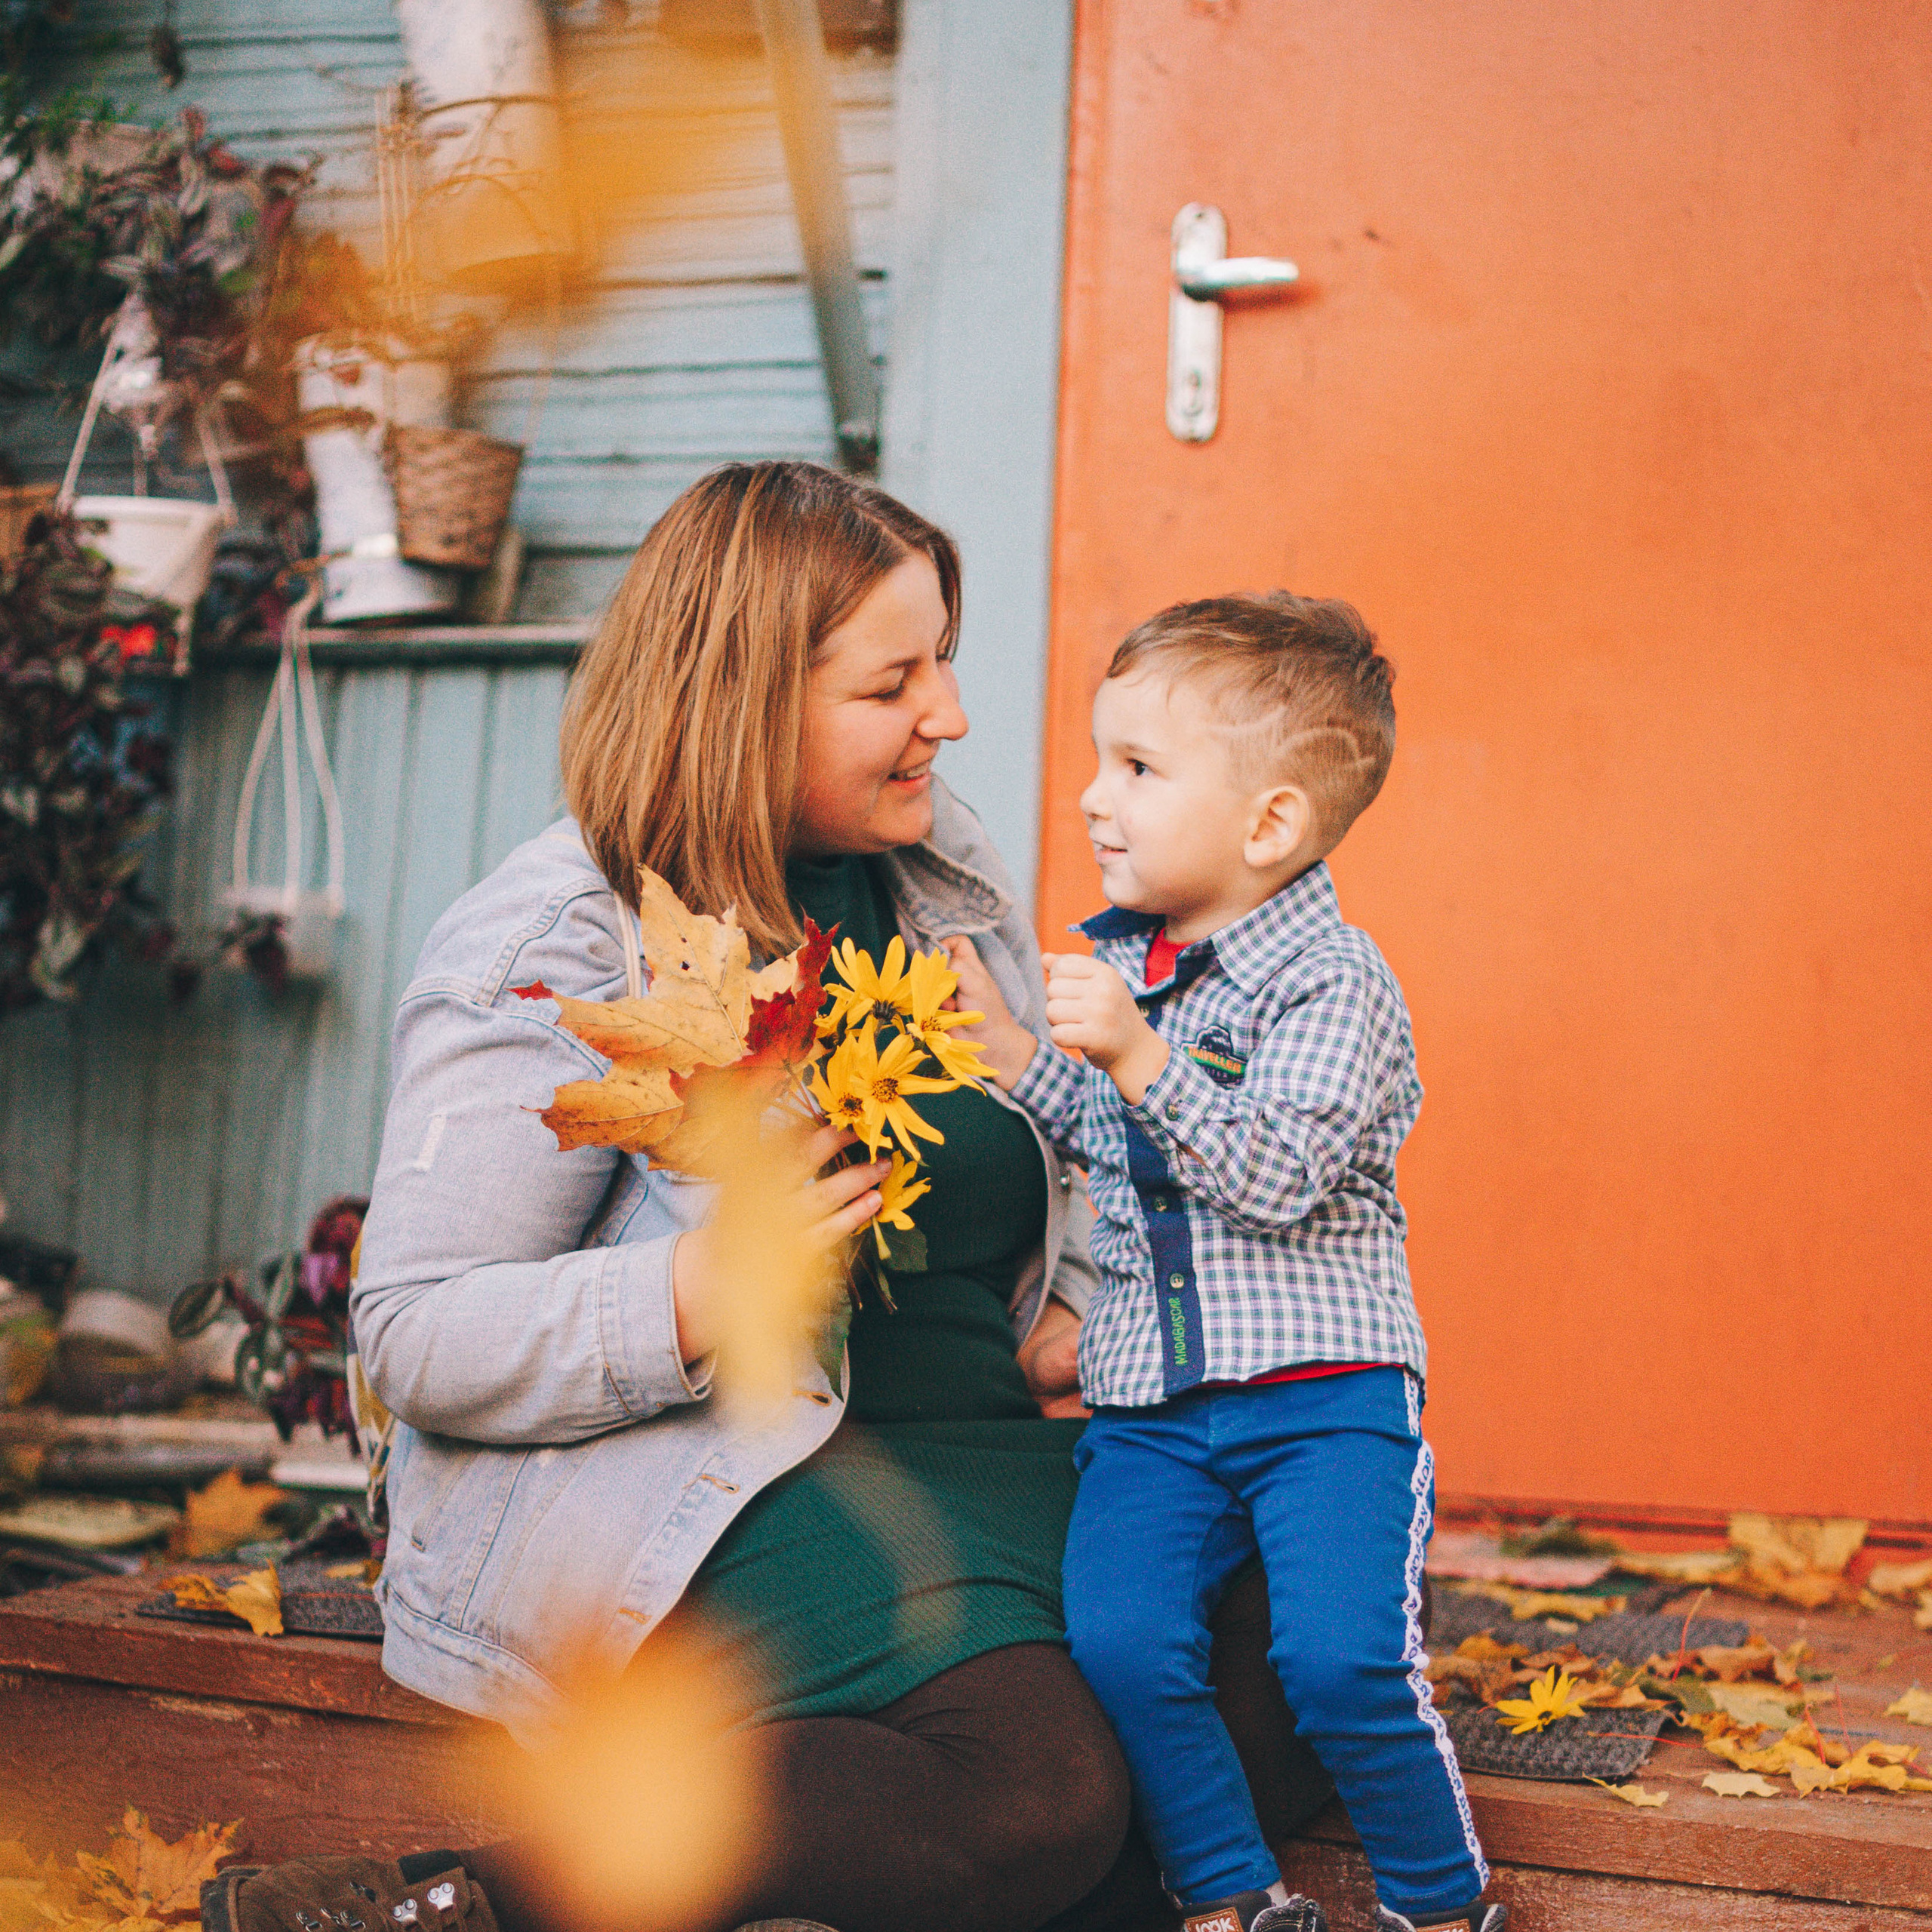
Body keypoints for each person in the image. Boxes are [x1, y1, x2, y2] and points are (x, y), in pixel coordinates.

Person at [205, 466, 1337, 1932]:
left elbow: (1031, 1161)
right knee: (1038, 1785)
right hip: (709, 1469)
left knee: (1321, 1648)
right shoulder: (561, 935)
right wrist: (694, 1287)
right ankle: (442, 1908)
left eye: (942, 658)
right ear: (746, 700)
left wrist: (1082, 1306)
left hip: (980, 1439)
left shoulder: (937, 871)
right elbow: (416, 1332)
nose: (949, 713)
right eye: (892, 680)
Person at [946, 595, 1501, 1932]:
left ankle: (1439, 1903)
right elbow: (1116, 1147)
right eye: (1097, 759)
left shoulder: (1335, 984)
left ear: (1269, 827)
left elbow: (1270, 1175)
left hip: (1327, 1400)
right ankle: (1230, 1897)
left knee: (1342, 1656)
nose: (1093, 798)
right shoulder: (1147, 967)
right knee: (1126, 1644)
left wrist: (1138, 1055)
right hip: (1153, 1414)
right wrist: (1028, 1065)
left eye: (1137, 769)